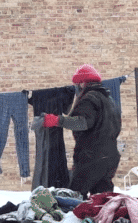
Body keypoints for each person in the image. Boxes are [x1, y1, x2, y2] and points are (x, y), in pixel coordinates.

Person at [42, 64, 121, 198]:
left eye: (76, 84)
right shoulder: (110, 100)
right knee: (102, 201)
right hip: (110, 158)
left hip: (91, 158)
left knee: (74, 197)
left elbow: (82, 122)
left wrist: (58, 120)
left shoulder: (89, 98)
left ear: (82, 83)